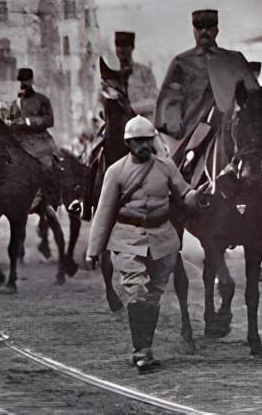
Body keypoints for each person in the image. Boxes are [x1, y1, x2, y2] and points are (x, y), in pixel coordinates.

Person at [86, 115, 205, 373]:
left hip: (162, 239)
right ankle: (140, 350)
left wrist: (200, 195)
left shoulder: (166, 167)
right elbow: (104, 212)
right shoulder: (116, 171)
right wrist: (94, 250)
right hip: (128, 238)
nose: (142, 145)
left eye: (146, 140)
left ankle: (146, 347)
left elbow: (184, 194)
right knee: (136, 292)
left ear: (152, 141)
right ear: (128, 143)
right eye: (137, 141)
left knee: (153, 296)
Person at [154, 9, 258, 186]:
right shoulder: (181, 62)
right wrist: (175, 126)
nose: (204, 32)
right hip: (194, 129)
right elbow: (168, 98)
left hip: (231, 126)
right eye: (199, 28)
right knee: (176, 175)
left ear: (217, 30)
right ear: (193, 30)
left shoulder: (234, 59)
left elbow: (254, 94)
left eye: (209, 28)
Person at [4, 67, 59, 175]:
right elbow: (9, 123)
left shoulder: (41, 100)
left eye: (26, 80)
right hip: (20, 143)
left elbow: (50, 120)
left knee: (47, 168)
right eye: (21, 81)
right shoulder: (15, 104)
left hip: (39, 143)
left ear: (31, 80)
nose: (23, 83)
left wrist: (30, 121)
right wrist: (11, 123)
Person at [115, 32, 158, 118]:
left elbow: (154, 101)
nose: (120, 49)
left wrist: (130, 109)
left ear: (132, 47)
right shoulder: (112, 74)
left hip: (140, 124)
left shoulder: (144, 72)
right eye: (118, 45)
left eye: (125, 45)